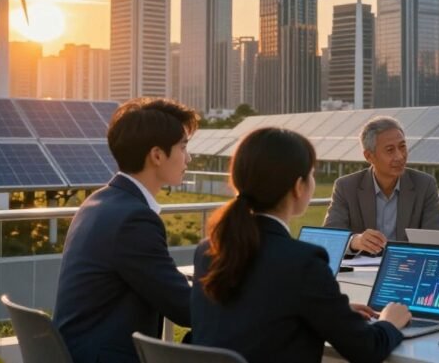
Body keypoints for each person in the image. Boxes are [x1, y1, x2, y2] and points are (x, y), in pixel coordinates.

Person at [191, 127, 410, 363]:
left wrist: (334, 311)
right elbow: (367, 348)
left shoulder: (208, 250)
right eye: (312, 174)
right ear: (298, 186)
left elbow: (256, 312)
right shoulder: (302, 261)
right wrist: (389, 322)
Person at [54, 98, 197, 363]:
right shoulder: (133, 219)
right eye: (183, 147)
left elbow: (159, 279)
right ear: (156, 155)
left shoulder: (99, 201)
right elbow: (185, 307)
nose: (188, 157)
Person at [324, 116, 439, 254]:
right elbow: (330, 237)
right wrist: (356, 241)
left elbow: (435, 238)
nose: (399, 156)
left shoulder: (425, 185)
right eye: (390, 150)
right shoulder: (346, 187)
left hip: (406, 268)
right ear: (369, 156)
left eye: (402, 147)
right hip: (361, 272)